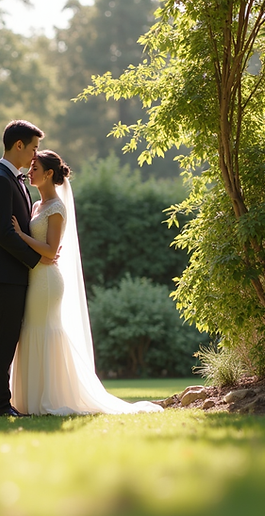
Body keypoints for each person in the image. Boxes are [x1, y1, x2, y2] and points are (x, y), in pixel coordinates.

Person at [9, 151, 163, 415]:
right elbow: (44, 252)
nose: (29, 172)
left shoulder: (57, 208)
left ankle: (50, 398)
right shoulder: (36, 206)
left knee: (45, 332)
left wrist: (22, 236)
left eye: (35, 168)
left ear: (48, 174)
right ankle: (29, 399)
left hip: (47, 282)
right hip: (34, 277)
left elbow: (50, 250)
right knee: (31, 331)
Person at [0, 120, 48, 418]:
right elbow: (4, 235)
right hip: (6, 274)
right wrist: (37, 260)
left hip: (15, 274)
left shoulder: (13, 179)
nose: (36, 155)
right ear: (18, 145)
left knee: (8, 338)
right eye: (34, 148)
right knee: (4, 339)